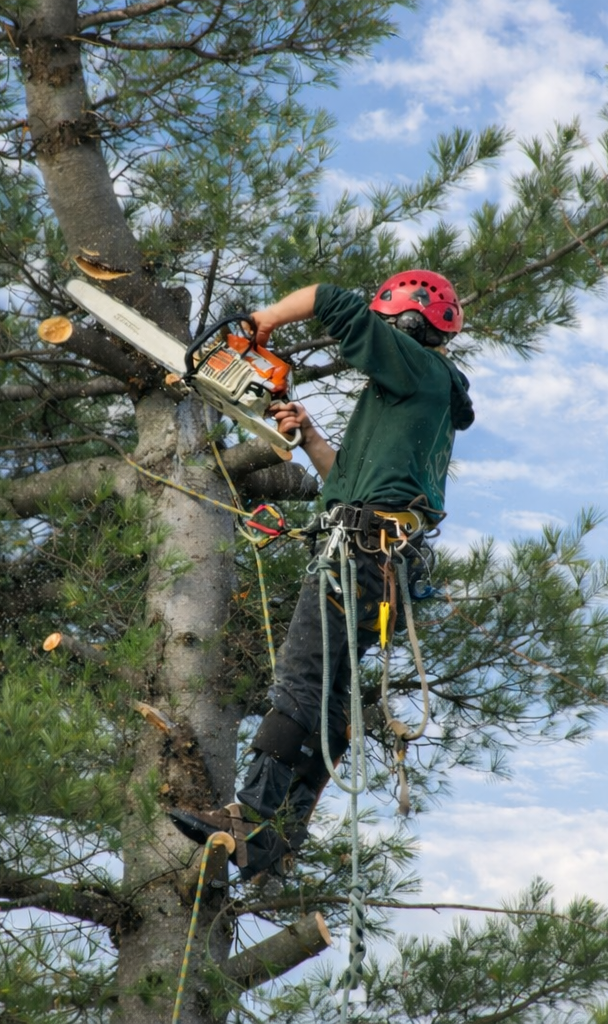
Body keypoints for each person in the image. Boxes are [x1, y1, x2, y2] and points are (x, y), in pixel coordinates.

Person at [169, 270, 475, 879]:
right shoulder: (413, 395)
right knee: (330, 697)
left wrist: (263, 322)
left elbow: (331, 299)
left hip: (359, 554)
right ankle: (280, 837)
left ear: (405, 325)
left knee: (302, 680)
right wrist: (308, 435)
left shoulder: (416, 367)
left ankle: (250, 814)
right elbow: (344, 484)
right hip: (374, 552)